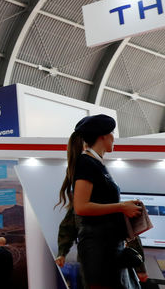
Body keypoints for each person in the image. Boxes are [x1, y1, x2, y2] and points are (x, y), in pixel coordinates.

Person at [57, 114, 143, 289]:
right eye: (112, 133)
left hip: (108, 247)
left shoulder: (95, 163)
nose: (114, 138)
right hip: (99, 250)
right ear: (103, 136)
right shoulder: (86, 162)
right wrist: (121, 207)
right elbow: (81, 207)